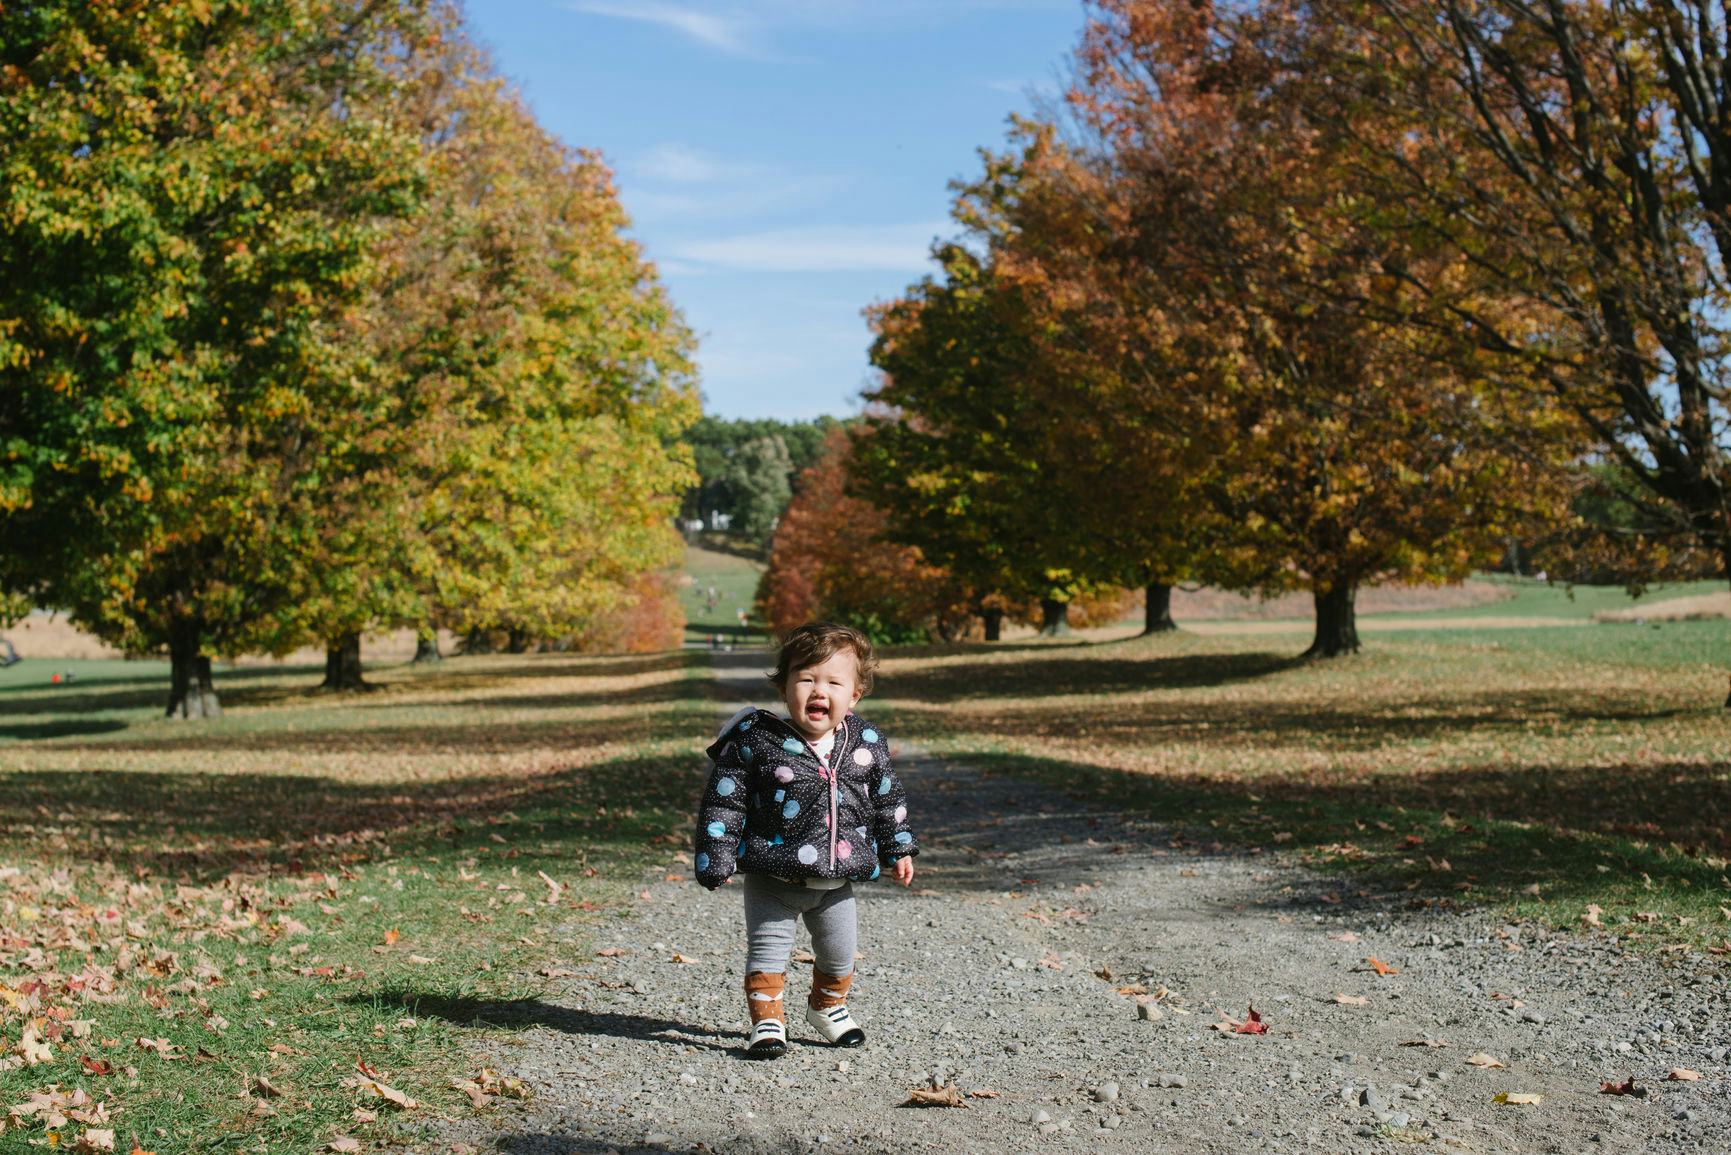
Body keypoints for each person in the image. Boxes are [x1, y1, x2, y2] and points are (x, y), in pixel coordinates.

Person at [693, 622, 916, 1059]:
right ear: (784, 686)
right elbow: (724, 804)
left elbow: (888, 800)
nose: (819, 690)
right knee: (768, 954)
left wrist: (899, 846)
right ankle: (767, 1023)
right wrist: (716, 855)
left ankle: (827, 1008)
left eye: (834, 681)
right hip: (772, 876)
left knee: (839, 955)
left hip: (837, 884)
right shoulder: (756, 742)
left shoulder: (865, 744)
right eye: (807, 678)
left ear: (854, 695)